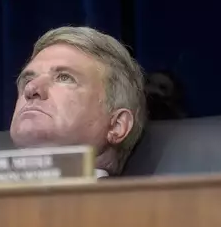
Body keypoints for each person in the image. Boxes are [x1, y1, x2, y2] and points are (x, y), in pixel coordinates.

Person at [9, 26, 146, 178]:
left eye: (64, 78)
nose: (31, 88)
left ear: (117, 125)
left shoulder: (135, 202)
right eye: (28, 79)